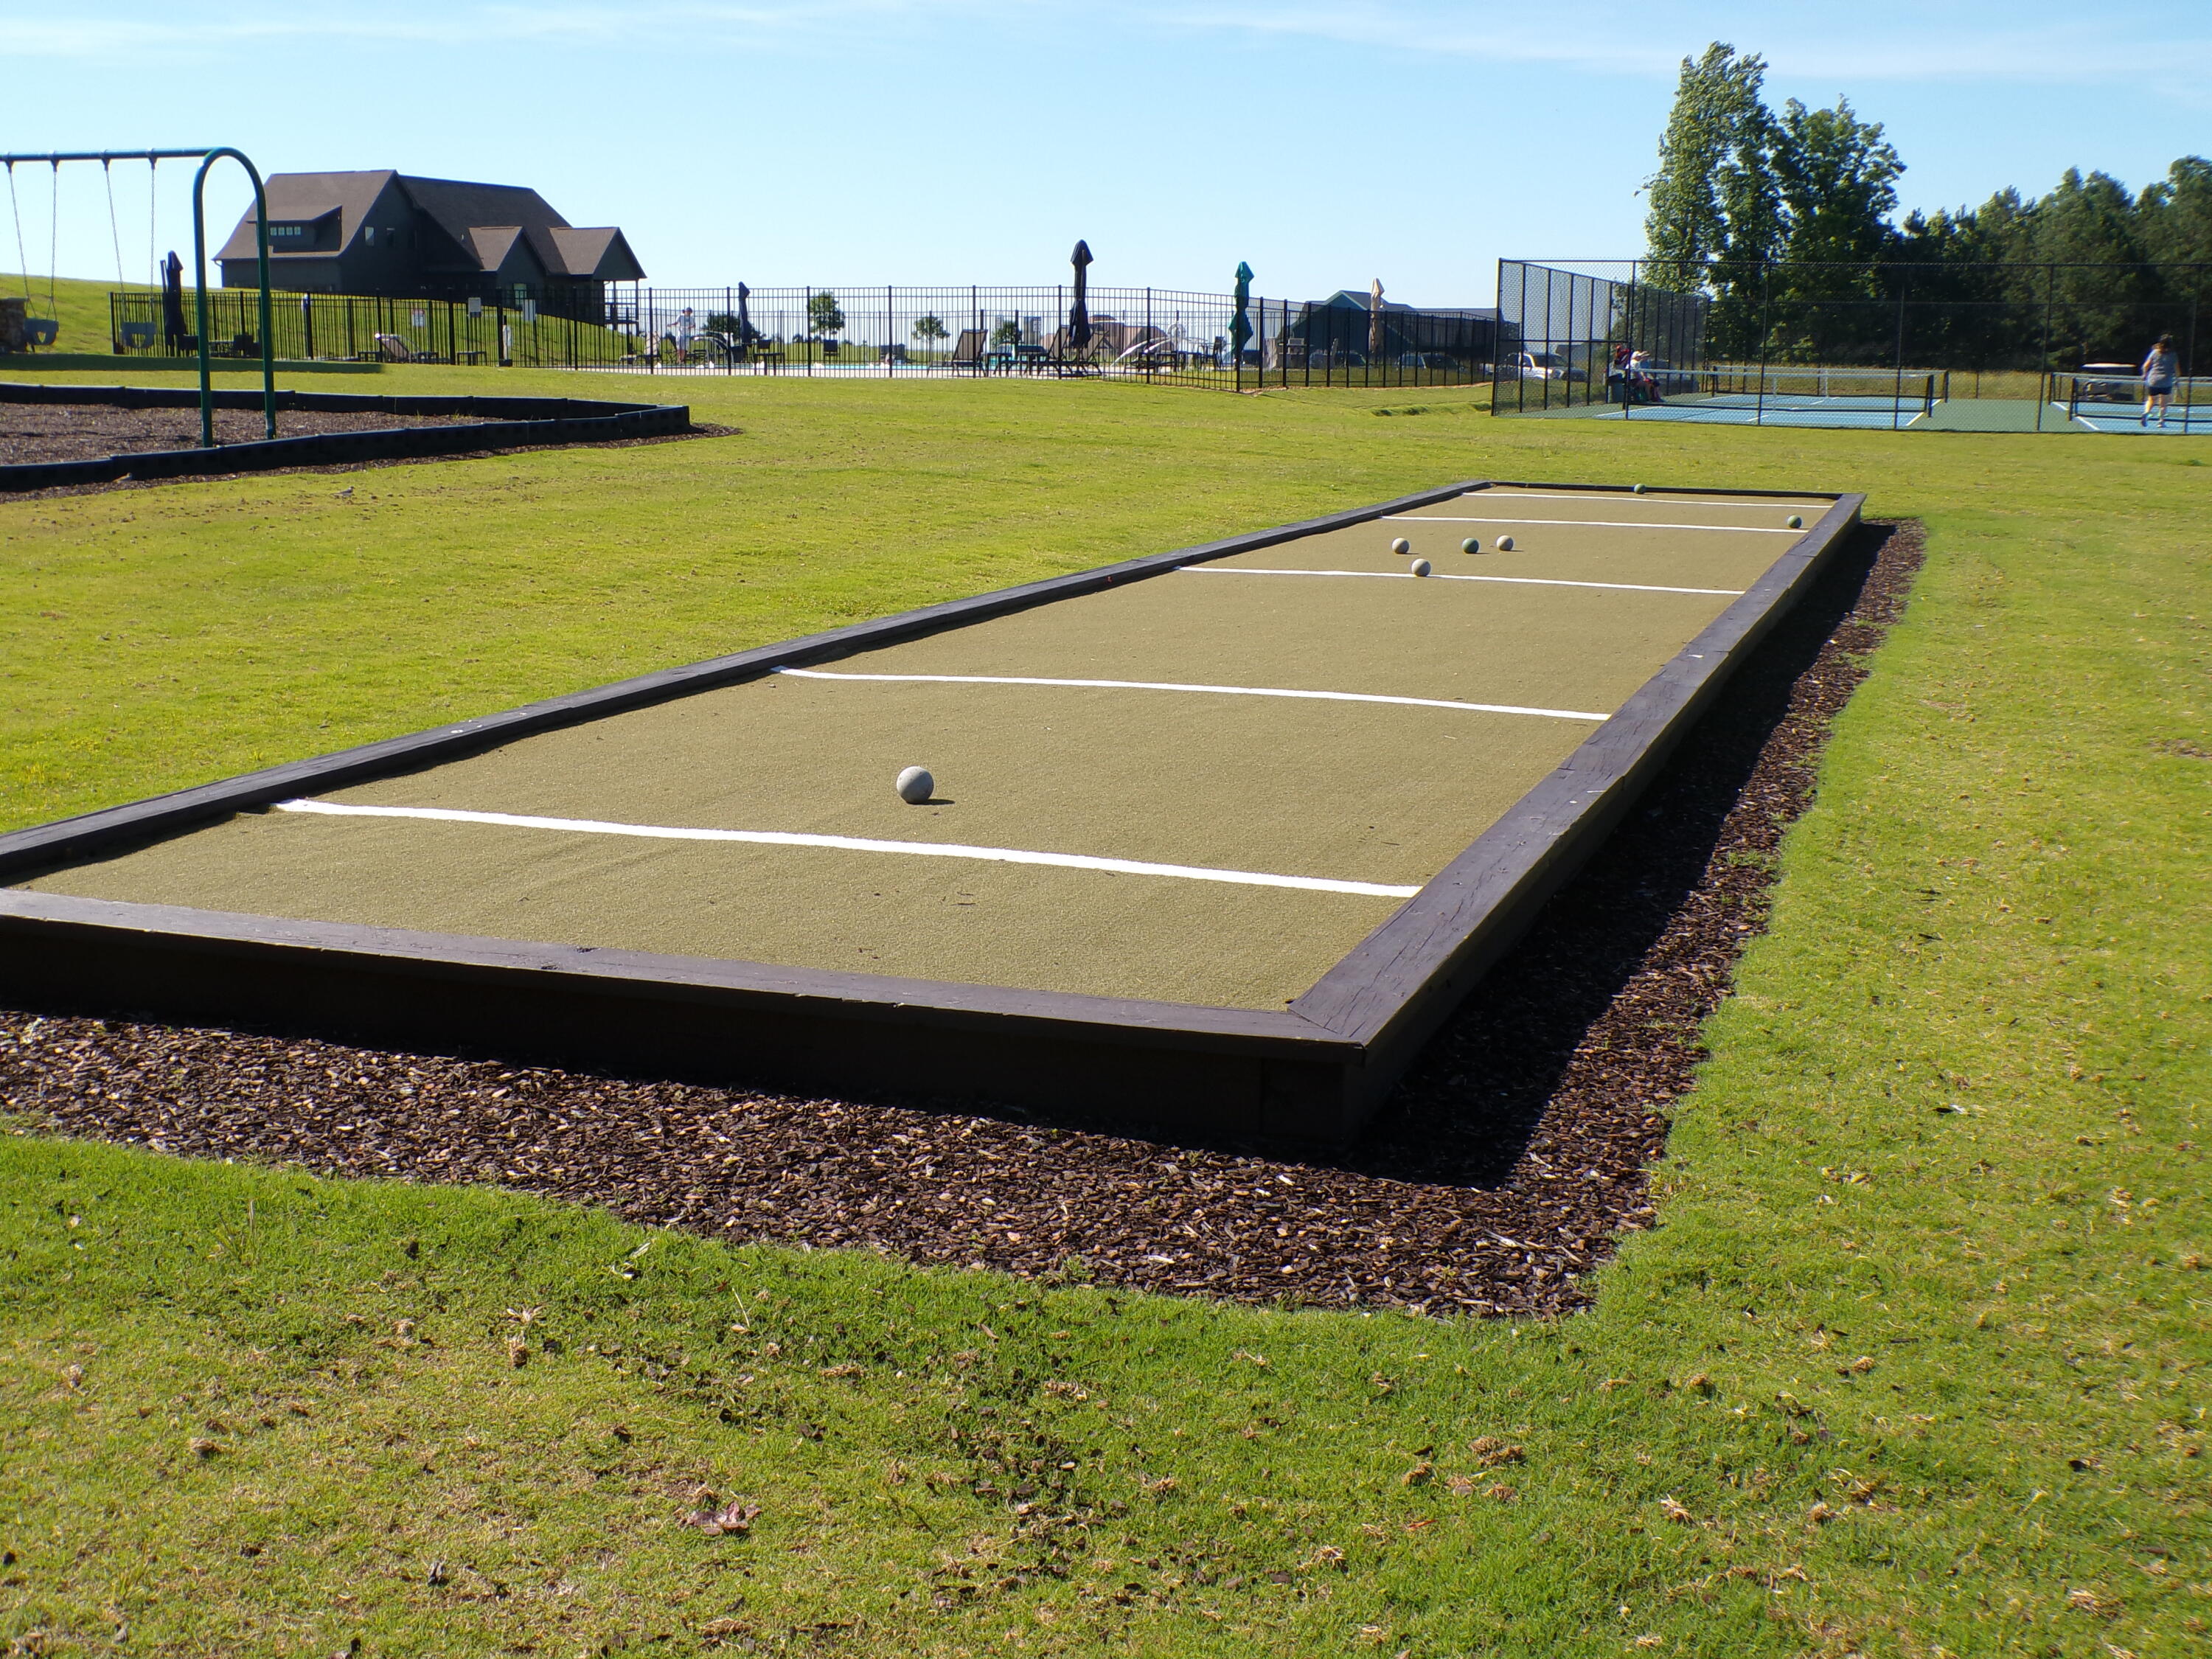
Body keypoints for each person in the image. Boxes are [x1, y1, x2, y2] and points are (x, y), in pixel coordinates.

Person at [2141, 334, 2178, 427]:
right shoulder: (2173, 355)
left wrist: (2145, 375)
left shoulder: (2155, 353)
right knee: (2163, 403)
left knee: (2151, 400)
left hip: (2153, 380)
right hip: (2166, 381)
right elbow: (2177, 370)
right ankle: (2161, 422)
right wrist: (2177, 379)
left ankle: (2146, 413)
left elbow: (2146, 366)